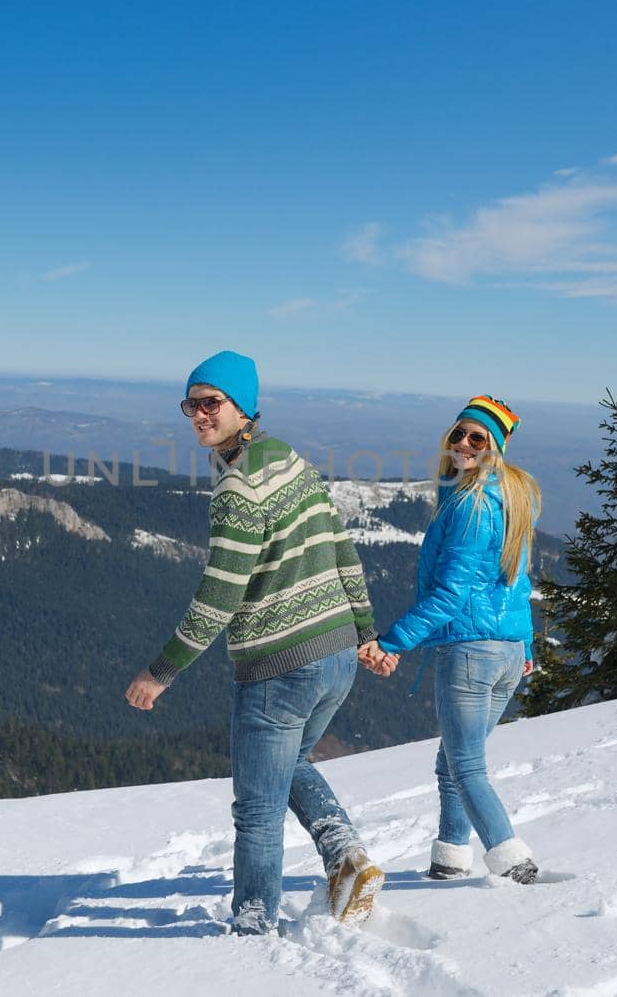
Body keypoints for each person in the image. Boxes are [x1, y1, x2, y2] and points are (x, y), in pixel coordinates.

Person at [125, 349, 386, 935]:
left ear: (244, 408)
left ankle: (252, 927)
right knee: (288, 765)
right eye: (191, 403)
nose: (198, 414)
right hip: (335, 657)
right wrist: (363, 633)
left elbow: (219, 596)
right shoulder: (287, 459)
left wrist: (159, 673)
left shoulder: (238, 488)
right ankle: (346, 856)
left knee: (258, 811)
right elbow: (342, 546)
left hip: (277, 668)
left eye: (211, 403)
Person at [359, 395, 543, 885]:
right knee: (452, 763)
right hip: (505, 652)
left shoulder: (472, 505)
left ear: (494, 447)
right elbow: (518, 584)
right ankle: (450, 860)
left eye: (477, 438)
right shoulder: (513, 497)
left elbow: (450, 595)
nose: (463, 443)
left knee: (466, 766)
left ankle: (513, 862)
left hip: (470, 653)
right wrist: (526, 648)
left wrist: (393, 642)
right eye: (459, 434)